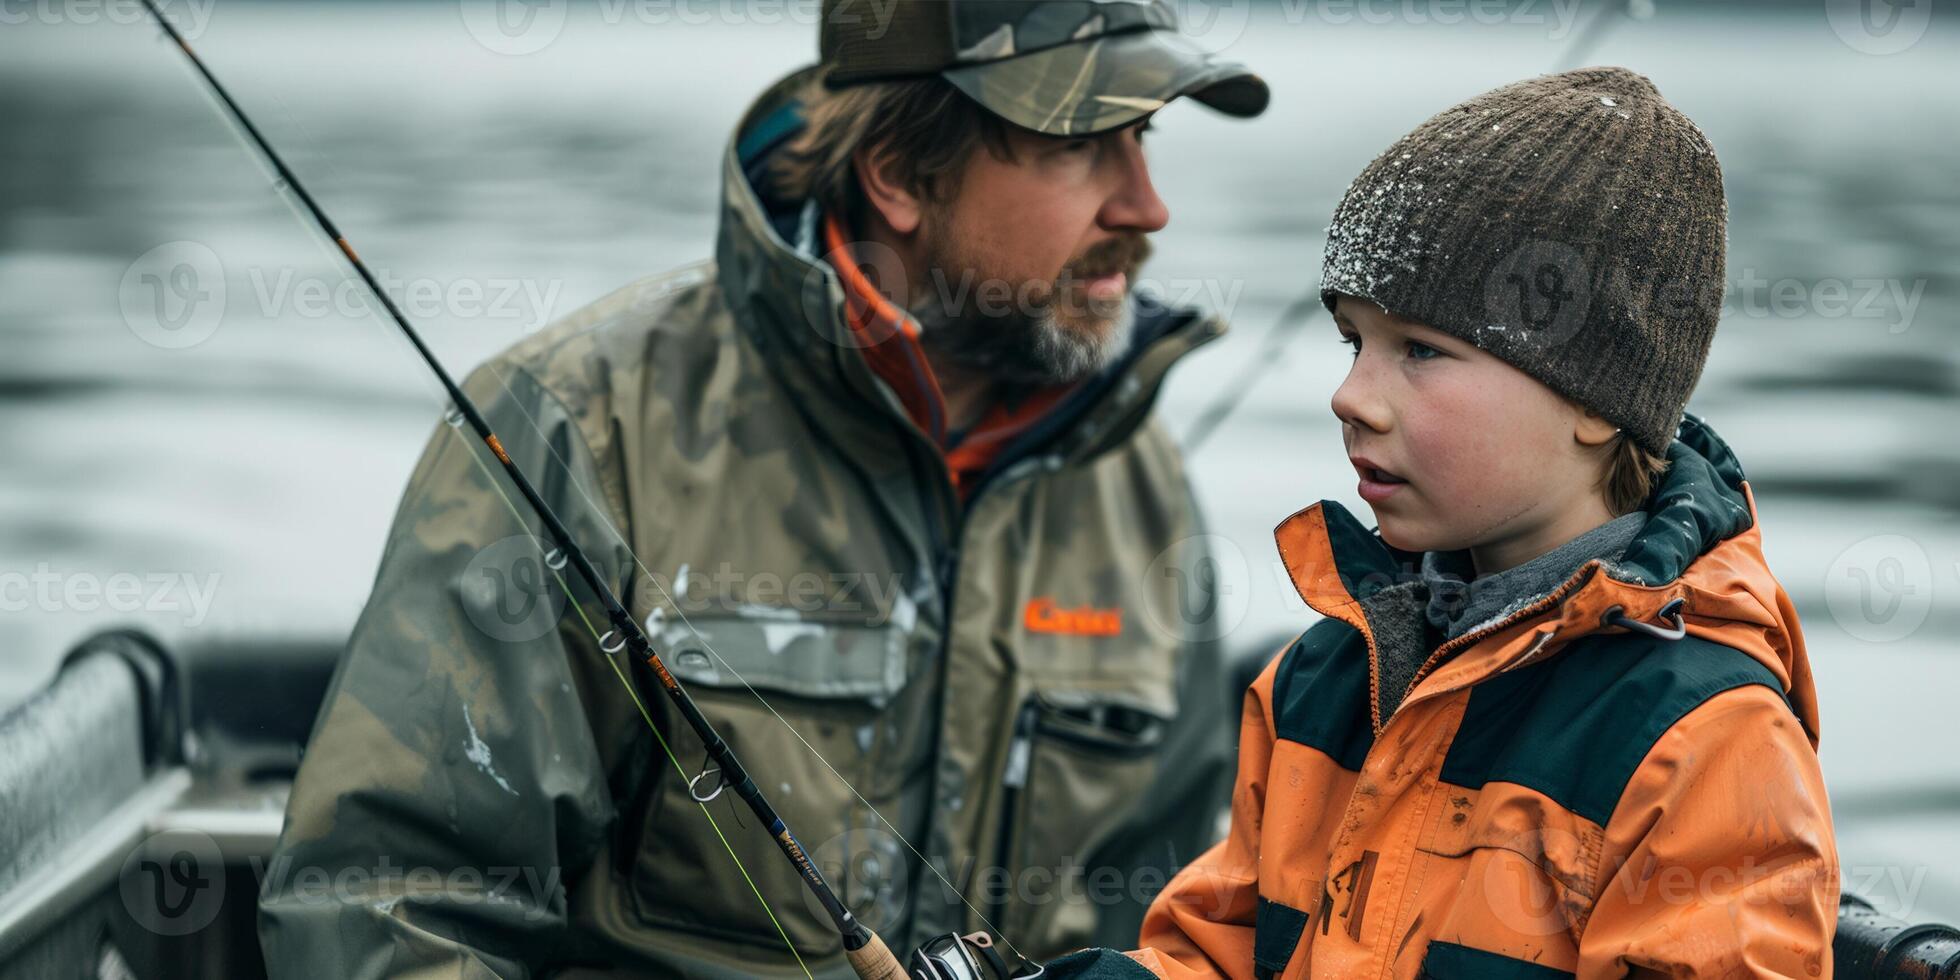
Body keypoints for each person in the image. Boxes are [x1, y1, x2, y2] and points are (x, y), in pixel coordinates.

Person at [259, 1, 1271, 975]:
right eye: (1078, 144)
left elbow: (1168, 920)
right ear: (898, 175)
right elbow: (388, 896)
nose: (1145, 204)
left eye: (1143, 137)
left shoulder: (1141, 481)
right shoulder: (574, 426)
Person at [1045, 67, 1839, 979]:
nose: (1351, 396)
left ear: (1595, 403)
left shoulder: (1706, 745)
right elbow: (1219, 953)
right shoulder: (1322, 674)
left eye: (1421, 349)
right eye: (1354, 342)